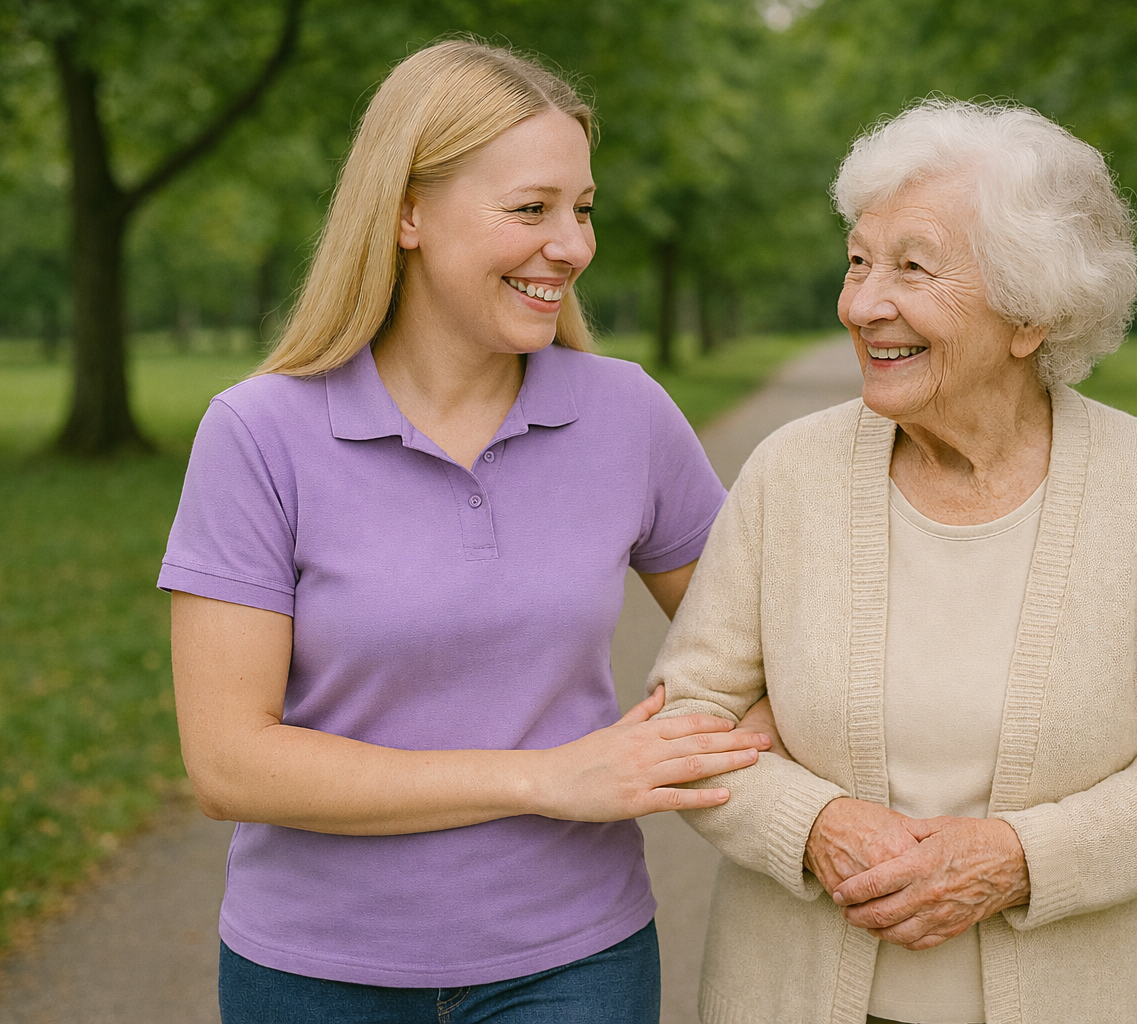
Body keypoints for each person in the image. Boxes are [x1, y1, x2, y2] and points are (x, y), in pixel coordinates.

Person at [160, 40, 770, 1024]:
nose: (571, 244)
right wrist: (547, 778)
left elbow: (762, 646)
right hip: (315, 974)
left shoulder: (627, 414)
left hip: (575, 964)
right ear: (405, 211)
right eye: (532, 209)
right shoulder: (258, 433)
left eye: (583, 208)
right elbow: (229, 762)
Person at [651, 99, 1137, 1024]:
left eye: (912, 267)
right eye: (859, 261)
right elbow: (688, 717)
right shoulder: (790, 473)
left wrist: (1015, 861)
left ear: (1032, 315)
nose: (863, 304)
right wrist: (814, 826)